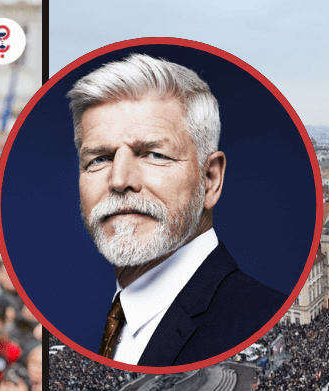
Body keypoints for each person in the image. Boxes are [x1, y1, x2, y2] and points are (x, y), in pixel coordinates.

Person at [68, 53, 287, 366]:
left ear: (210, 179)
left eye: (154, 154)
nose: (119, 180)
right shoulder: (114, 312)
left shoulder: (258, 323)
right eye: (99, 159)